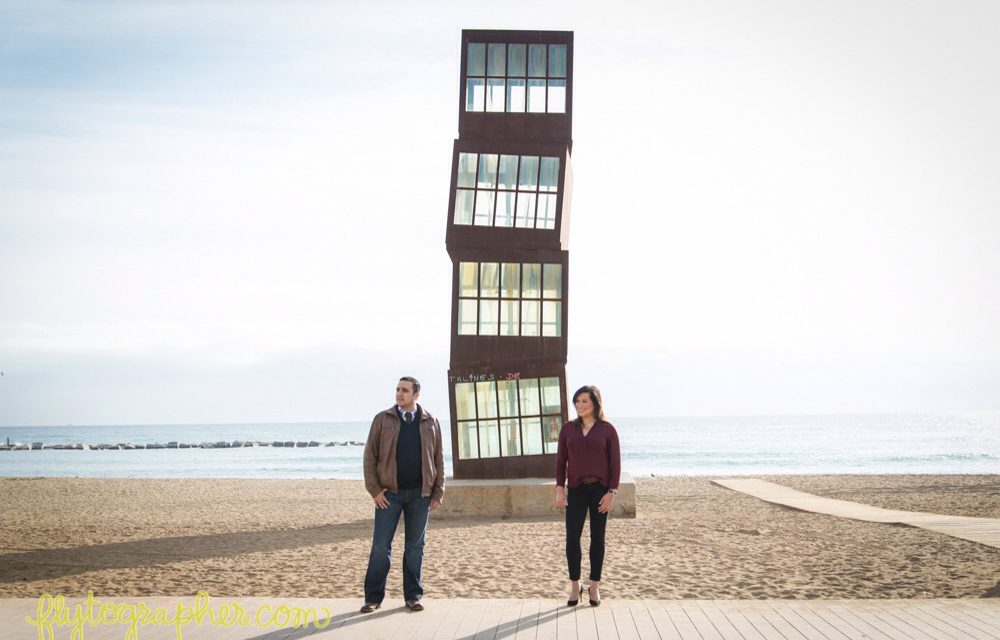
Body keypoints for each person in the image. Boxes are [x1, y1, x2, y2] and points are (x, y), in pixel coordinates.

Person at [360, 376, 445, 613]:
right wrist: (375, 490)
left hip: (421, 495)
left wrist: (438, 492)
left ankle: (413, 596)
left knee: (415, 547)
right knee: (380, 547)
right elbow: (370, 457)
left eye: (405, 390)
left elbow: (438, 458)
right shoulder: (382, 419)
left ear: (416, 395)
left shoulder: (431, 421)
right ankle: (373, 598)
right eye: (398, 389)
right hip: (390, 495)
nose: (399, 394)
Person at [555, 385, 621, 607]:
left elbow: (615, 464)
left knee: (597, 539)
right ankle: (576, 586)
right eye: (577, 401)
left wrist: (612, 492)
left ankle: (594, 586)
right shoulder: (568, 429)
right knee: (572, 538)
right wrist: (559, 488)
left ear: (595, 402)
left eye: (584, 401)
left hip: (600, 490)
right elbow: (560, 461)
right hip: (576, 490)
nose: (580, 405)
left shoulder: (607, 430)